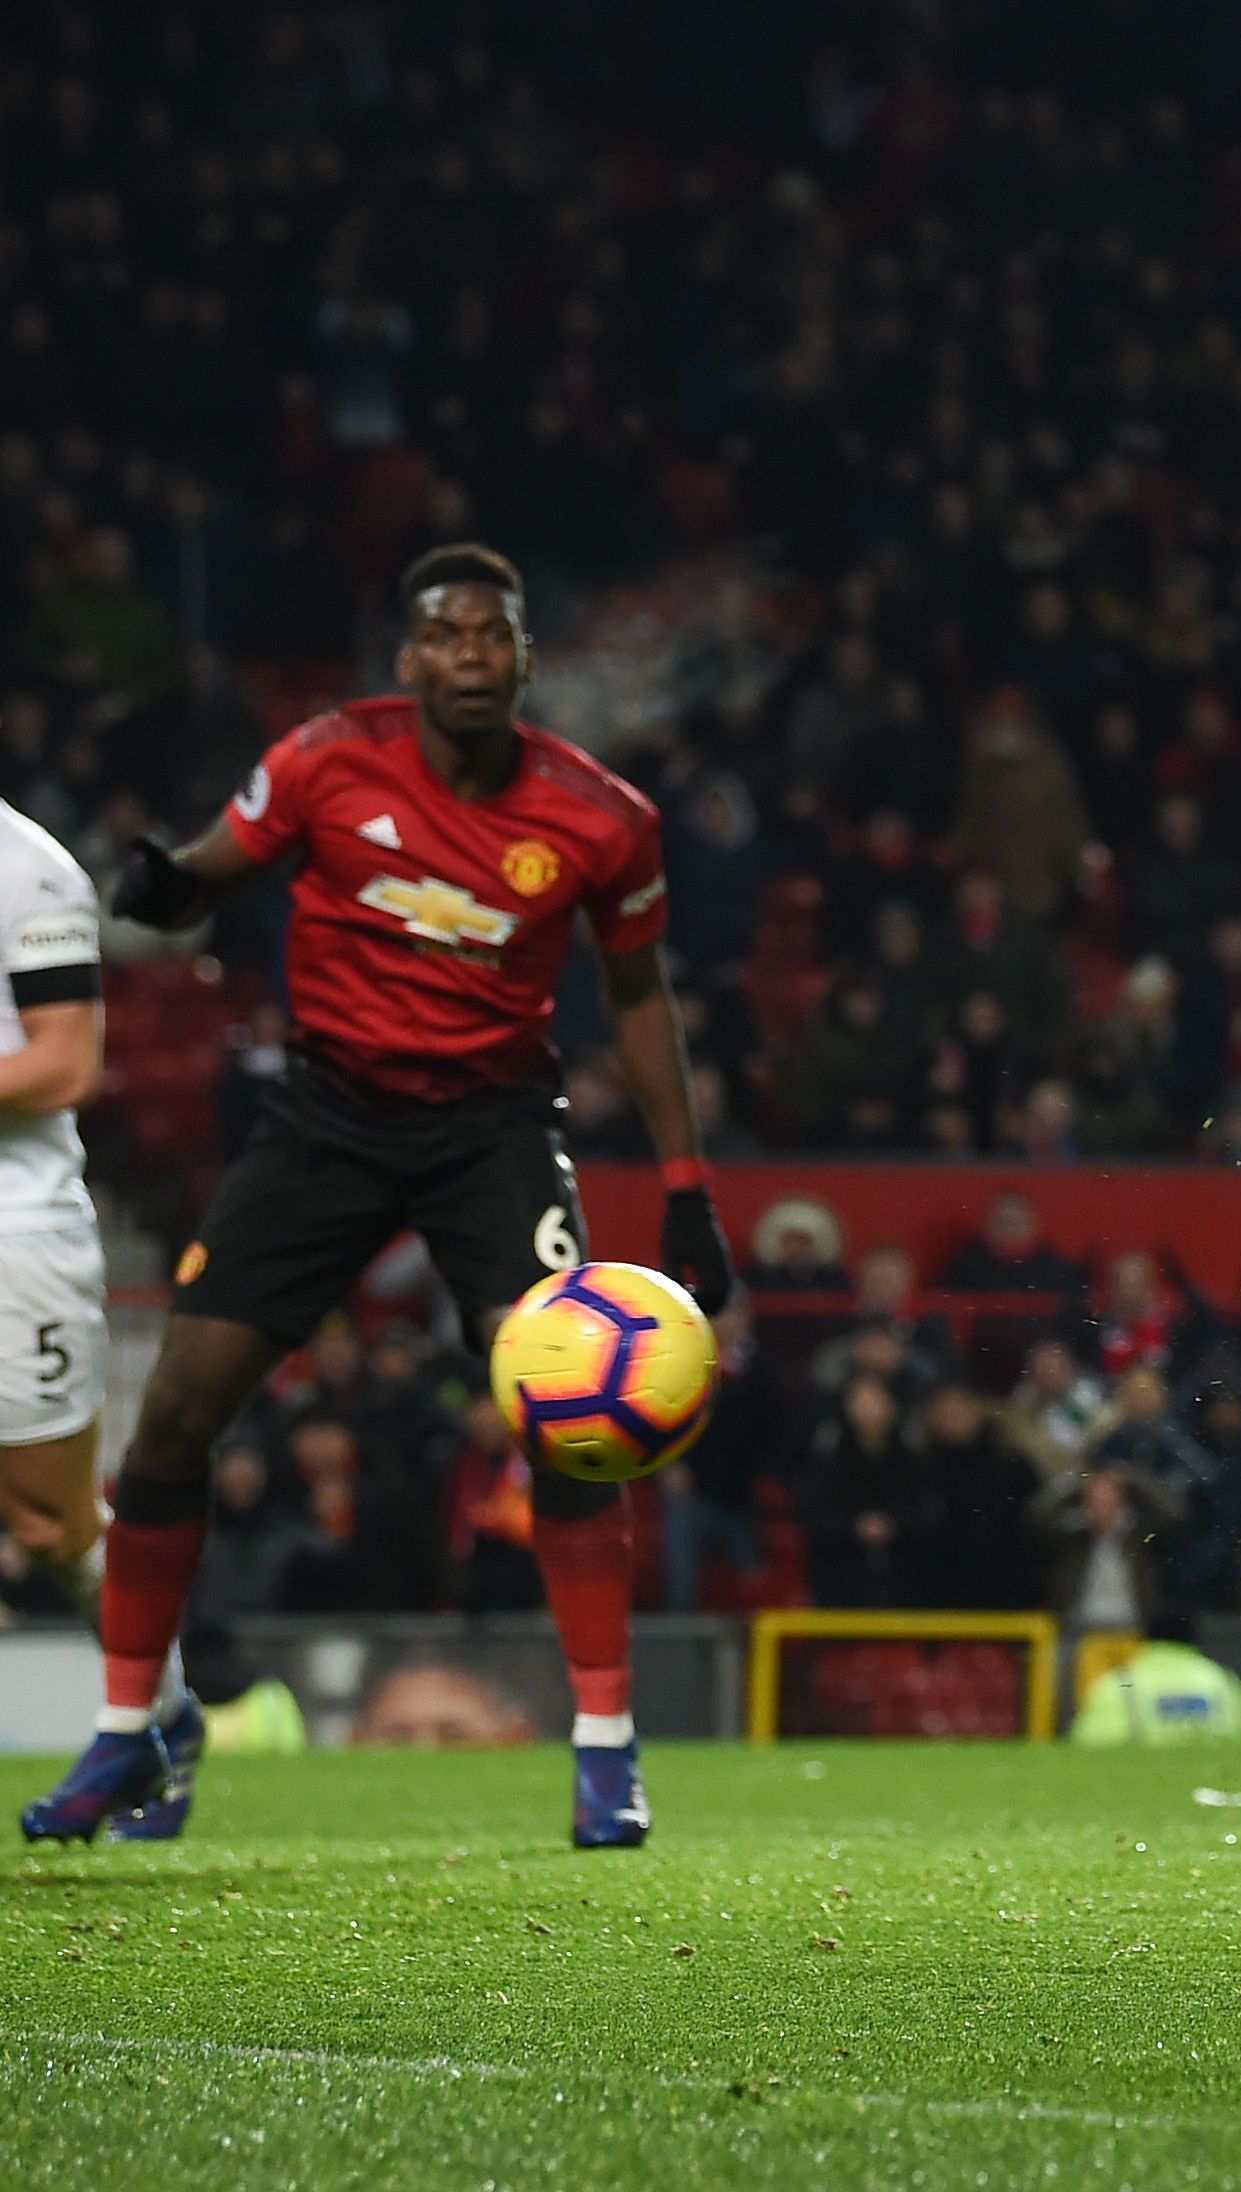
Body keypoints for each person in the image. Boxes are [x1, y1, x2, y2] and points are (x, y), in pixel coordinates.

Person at [23, 545, 737, 1852]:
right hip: (325, 1120)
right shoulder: (326, 759)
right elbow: (219, 862)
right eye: (445, 635)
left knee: (571, 1418)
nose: (469, 655)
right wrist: (172, 886)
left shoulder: (601, 817)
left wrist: (687, 1188)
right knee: (174, 1415)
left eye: (492, 635)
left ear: (524, 659)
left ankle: (605, 1752)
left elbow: (640, 997)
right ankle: (134, 1733)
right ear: (408, 659)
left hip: (494, 1131)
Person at [0, 794, 110, 1687]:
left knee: (52, 1530)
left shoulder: (31, 871)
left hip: (16, 1229)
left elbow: (65, 1061)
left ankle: (160, 1709)